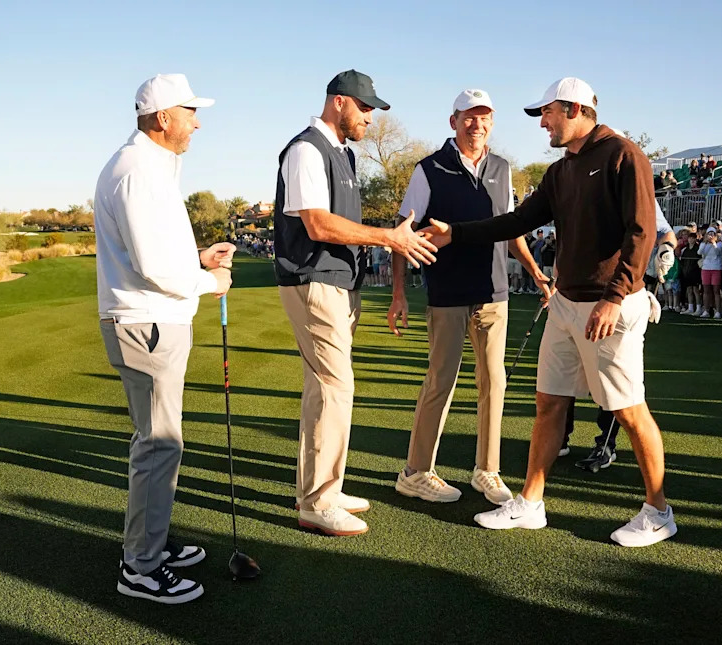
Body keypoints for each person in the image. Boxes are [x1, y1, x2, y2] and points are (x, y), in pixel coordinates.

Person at [420, 77, 677, 547]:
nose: (543, 123)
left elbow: (642, 233)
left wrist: (615, 296)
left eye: (548, 113)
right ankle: (531, 503)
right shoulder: (562, 170)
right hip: (564, 302)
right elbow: (517, 221)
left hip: (610, 305)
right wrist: (455, 232)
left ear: (575, 109)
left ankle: (658, 511)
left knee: (627, 409)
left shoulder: (625, 155)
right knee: (549, 401)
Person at [273, 70, 437, 537]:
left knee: (326, 388)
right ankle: (317, 501)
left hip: (340, 285)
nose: (371, 117)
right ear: (340, 103)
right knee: (333, 387)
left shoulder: (343, 153)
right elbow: (318, 225)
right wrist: (388, 238)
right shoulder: (307, 149)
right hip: (314, 281)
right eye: (366, 108)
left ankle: (324, 487)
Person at [96, 74, 233, 604]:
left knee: (156, 444)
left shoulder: (149, 166)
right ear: (162, 118)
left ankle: (149, 542)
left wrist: (198, 258)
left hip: (152, 319)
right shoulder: (138, 172)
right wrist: (210, 281)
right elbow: (153, 266)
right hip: (148, 323)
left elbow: (150, 252)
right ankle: (141, 568)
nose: (198, 122)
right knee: (158, 447)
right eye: (190, 112)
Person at [387, 89, 544, 506]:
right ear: (453, 121)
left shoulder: (503, 168)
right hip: (448, 293)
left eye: (485, 117)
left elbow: (511, 229)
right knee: (441, 382)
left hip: (494, 292)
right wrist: (398, 292)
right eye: (469, 117)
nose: (477, 124)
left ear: (492, 122)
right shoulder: (429, 169)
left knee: (495, 381)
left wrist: (535, 273)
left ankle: (487, 471)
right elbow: (402, 232)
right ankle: (416, 472)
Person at [698, 227, 722, 318]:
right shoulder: (703, 244)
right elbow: (700, 252)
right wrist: (705, 243)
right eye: (709, 234)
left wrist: (713, 243)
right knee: (706, 290)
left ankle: (717, 311)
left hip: (716, 268)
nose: (711, 236)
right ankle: (706, 310)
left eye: (713, 234)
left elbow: (718, 253)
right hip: (706, 268)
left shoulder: (719, 244)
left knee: (716, 290)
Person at [680, 231, 703, 315]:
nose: (690, 240)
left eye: (692, 238)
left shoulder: (697, 249)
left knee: (696, 290)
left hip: (695, 272)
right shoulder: (685, 250)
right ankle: (690, 308)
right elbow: (682, 261)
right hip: (687, 273)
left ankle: (698, 308)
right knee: (689, 290)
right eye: (689, 238)